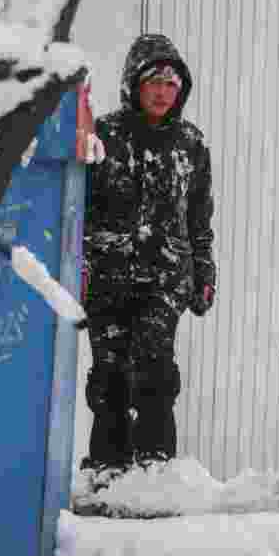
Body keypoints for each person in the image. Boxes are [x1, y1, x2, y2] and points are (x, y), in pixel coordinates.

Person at [79, 34, 216, 487]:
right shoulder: (105, 135)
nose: (162, 91)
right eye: (154, 81)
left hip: (165, 277)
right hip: (108, 275)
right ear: (134, 84)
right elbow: (77, 208)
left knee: (154, 366)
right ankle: (107, 468)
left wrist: (204, 273)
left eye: (172, 84)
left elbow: (199, 217)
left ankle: (155, 467)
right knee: (110, 369)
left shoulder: (191, 145)